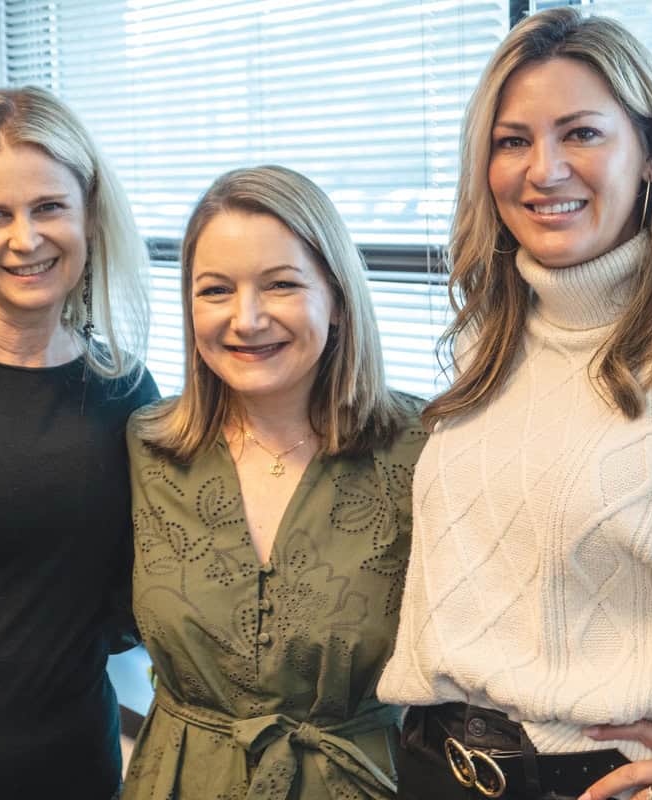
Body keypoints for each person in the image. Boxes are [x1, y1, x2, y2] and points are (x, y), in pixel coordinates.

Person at [378, 8, 652, 800]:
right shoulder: (488, 346)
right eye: (513, 140)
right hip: (433, 765)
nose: (544, 169)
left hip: (599, 783)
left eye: (582, 134)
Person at [122, 165, 427, 800]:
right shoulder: (147, 447)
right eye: (215, 290)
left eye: (281, 284)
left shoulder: (423, 447)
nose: (247, 318)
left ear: (338, 299)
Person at [0, 87, 159, 799]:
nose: (26, 238)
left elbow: (133, 604)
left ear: (87, 211)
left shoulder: (128, 391)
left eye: (48, 206)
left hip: (80, 767)